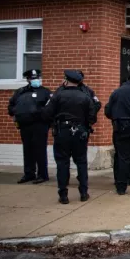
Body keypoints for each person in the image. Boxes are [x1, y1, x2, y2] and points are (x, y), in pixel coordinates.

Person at [42, 70, 96, 204]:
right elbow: (92, 117)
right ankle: (83, 193)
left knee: (62, 162)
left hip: (62, 131)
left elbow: (46, 113)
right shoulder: (85, 96)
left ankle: (63, 195)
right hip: (80, 131)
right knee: (81, 162)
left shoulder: (58, 95)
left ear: (66, 80)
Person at [8, 69, 52, 184]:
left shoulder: (45, 92)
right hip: (25, 125)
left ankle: (42, 174)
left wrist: (40, 115)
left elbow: (50, 108)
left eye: (37, 78)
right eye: (33, 78)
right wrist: (15, 112)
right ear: (28, 80)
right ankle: (29, 174)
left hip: (39, 125)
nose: (36, 80)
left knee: (40, 150)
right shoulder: (20, 92)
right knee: (27, 150)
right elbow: (11, 105)